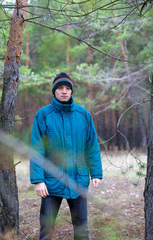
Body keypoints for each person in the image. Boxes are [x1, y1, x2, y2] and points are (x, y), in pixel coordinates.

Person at [30, 72, 103, 240]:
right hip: (51, 180)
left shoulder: (83, 114)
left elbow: (91, 145)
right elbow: (36, 149)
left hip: (78, 179)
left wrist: (96, 173)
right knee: (46, 229)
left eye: (68, 88)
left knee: (81, 229)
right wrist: (38, 180)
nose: (64, 91)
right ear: (54, 91)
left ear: (71, 92)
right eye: (60, 88)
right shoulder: (43, 115)